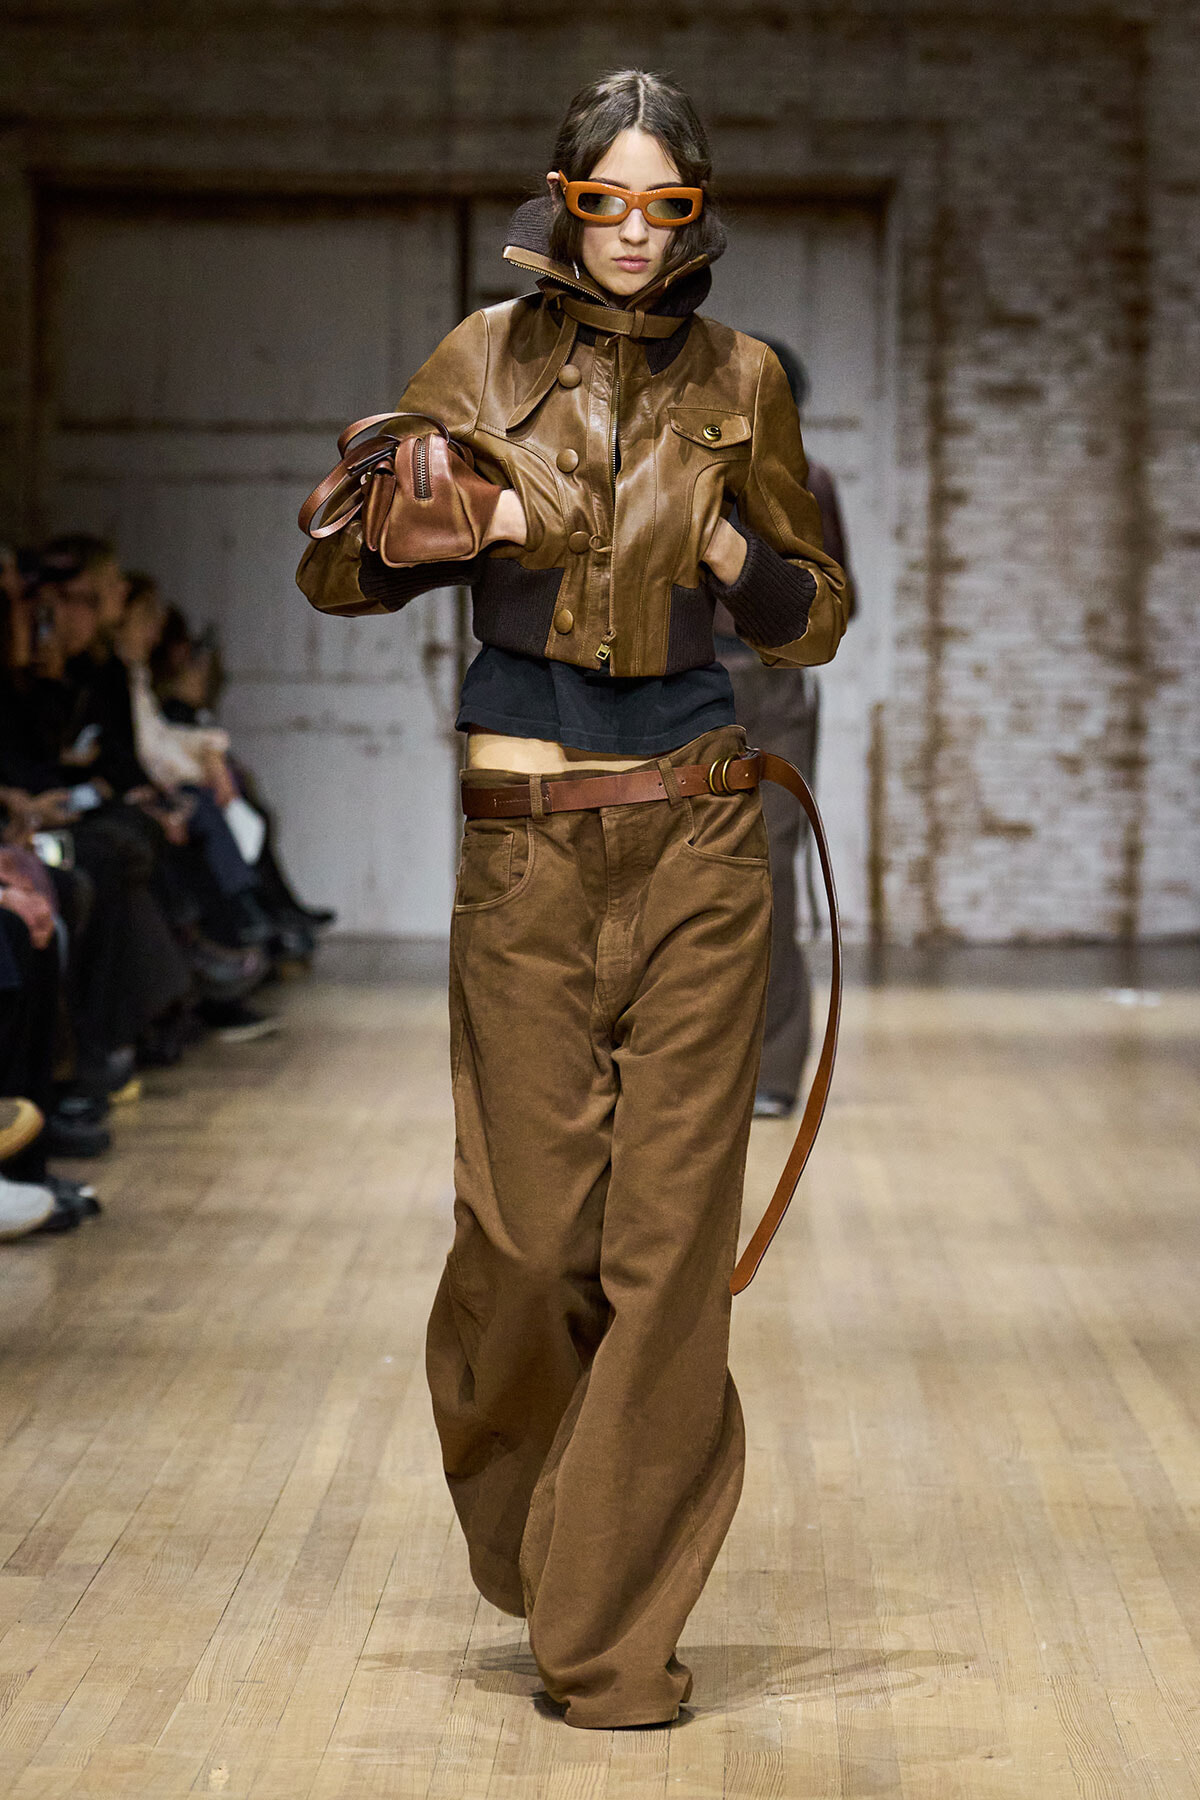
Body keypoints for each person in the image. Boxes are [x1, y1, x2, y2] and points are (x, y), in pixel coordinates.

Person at [297, 69, 848, 1728]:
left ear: (697, 217)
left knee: (670, 1255)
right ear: (561, 199)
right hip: (526, 845)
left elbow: (818, 609)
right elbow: (334, 569)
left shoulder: (742, 378)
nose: (629, 232)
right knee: (532, 1247)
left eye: (662, 207)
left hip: (698, 836)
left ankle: (608, 1640)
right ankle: (552, 1540)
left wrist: (740, 563)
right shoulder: (482, 358)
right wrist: (451, 514)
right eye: (604, 200)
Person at [715, 341, 857, 1117]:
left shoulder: (809, 483)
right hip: (678, 682)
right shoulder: (683, 473)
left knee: (769, 868)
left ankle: (772, 1069)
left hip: (769, 683)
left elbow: (840, 600)